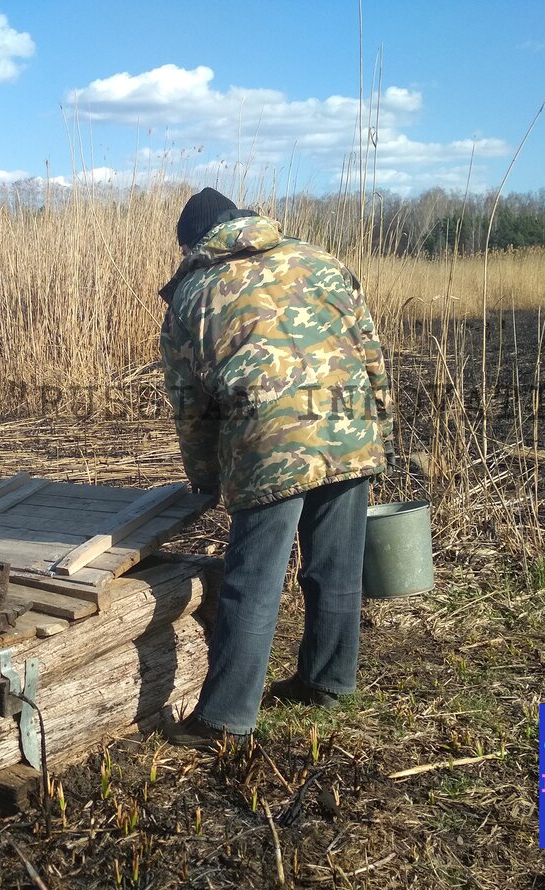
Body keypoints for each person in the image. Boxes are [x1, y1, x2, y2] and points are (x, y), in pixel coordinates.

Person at [158, 187, 394, 749]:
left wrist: (206, 476)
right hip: (348, 427)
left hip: (268, 443)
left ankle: (224, 719)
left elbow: (190, 404)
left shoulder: (192, 293)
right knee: (335, 568)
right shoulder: (320, 259)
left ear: (192, 243)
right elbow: (371, 352)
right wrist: (375, 424)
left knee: (252, 583)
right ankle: (329, 682)